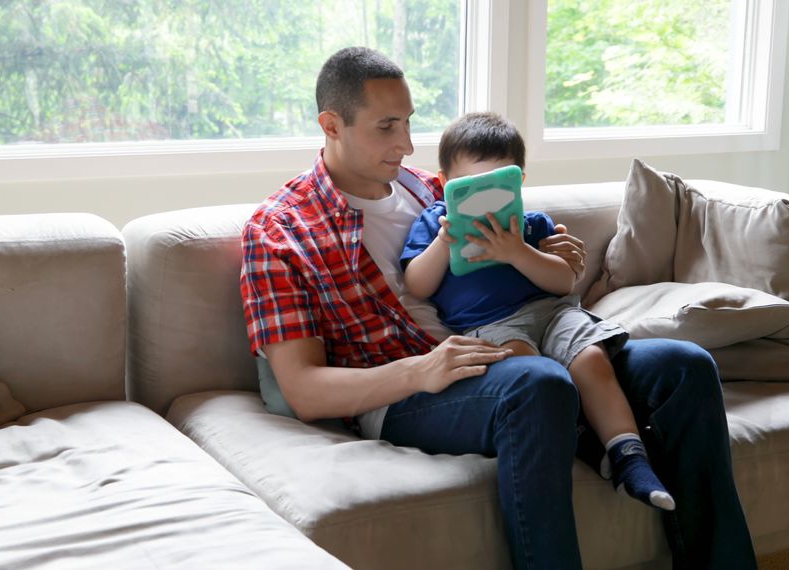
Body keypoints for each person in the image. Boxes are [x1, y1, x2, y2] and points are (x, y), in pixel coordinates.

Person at [240, 46, 756, 569]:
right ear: (332, 125)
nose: (407, 144)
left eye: (410, 123)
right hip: (410, 387)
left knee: (685, 368)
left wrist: (547, 252)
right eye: (386, 127)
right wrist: (420, 371)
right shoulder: (280, 231)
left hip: (515, 344)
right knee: (536, 385)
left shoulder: (437, 188)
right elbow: (303, 390)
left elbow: (516, 237)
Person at [402, 111, 673, 512]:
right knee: (529, 371)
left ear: (518, 184)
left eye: (497, 187)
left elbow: (563, 282)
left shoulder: (533, 225)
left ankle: (629, 455)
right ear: (445, 184)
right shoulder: (433, 224)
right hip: (490, 325)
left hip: (553, 312)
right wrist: (444, 241)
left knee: (592, 359)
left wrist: (518, 251)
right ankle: (583, 438)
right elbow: (417, 285)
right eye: (470, 188)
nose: (485, 203)